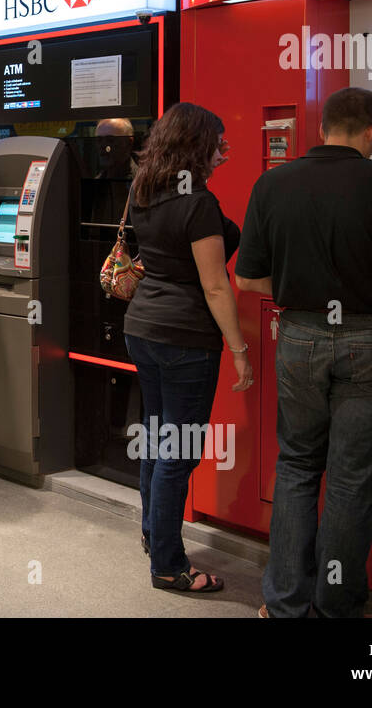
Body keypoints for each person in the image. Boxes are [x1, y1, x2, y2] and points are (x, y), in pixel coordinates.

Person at [235, 87, 372, 618]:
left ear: (322, 127)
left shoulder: (272, 183)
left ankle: (284, 604)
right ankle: (336, 606)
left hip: (299, 336)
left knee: (298, 467)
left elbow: (249, 278)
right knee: (351, 481)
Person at [120, 102, 250, 593]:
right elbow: (215, 286)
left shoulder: (143, 190)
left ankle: (155, 536)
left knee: (157, 440)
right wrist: (238, 348)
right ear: (197, 145)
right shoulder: (197, 203)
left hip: (144, 329)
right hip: (185, 337)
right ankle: (170, 567)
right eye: (218, 142)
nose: (225, 150)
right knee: (178, 451)